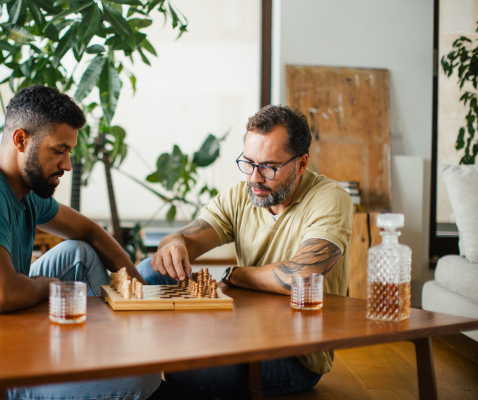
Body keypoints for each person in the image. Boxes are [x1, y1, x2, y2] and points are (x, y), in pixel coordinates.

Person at [0, 85, 159, 400]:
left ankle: (113, 349)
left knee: (79, 252)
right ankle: (106, 361)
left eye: (69, 152)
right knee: (143, 378)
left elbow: (91, 232)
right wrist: (48, 286)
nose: (67, 165)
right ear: (20, 140)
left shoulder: (24, 194)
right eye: (59, 150)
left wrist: (146, 300)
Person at [138, 105, 353, 399]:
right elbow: (188, 238)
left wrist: (236, 275)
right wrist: (174, 243)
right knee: (150, 271)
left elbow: (302, 278)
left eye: (269, 166)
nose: (254, 177)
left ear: (301, 164)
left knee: (183, 372)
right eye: (248, 162)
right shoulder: (242, 195)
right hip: (243, 333)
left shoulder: (330, 198)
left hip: (294, 355)